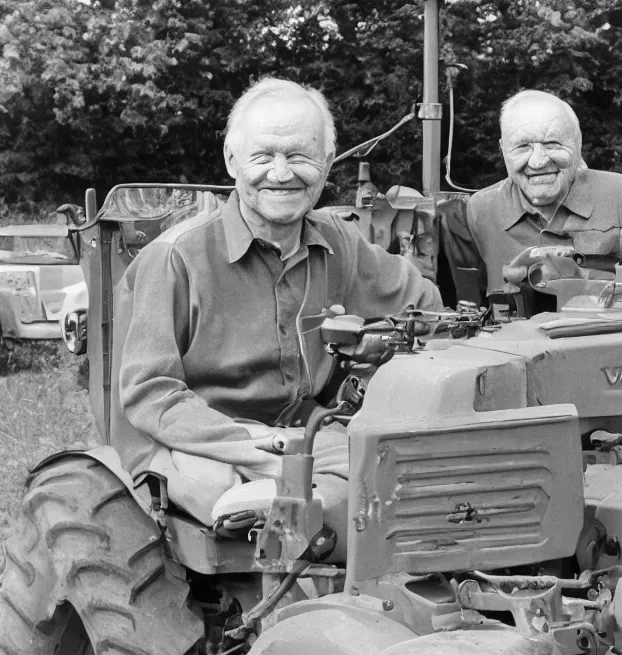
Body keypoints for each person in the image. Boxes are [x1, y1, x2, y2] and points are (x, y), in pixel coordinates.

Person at [110, 77, 443, 539]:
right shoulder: (176, 258)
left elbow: (425, 307)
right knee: (234, 501)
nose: (282, 173)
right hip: (203, 441)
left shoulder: (339, 242)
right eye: (264, 156)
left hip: (302, 435)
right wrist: (254, 444)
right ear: (232, 160)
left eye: (301, 156)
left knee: (403, 475)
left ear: (327, 164)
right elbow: (150, 393)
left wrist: (382, 347)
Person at [466, 89, 622, 304]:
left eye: (552, 144)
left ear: (577, 143)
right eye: (522, 146)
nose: (538, 161)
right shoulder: (482, 211)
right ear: (502, 149)